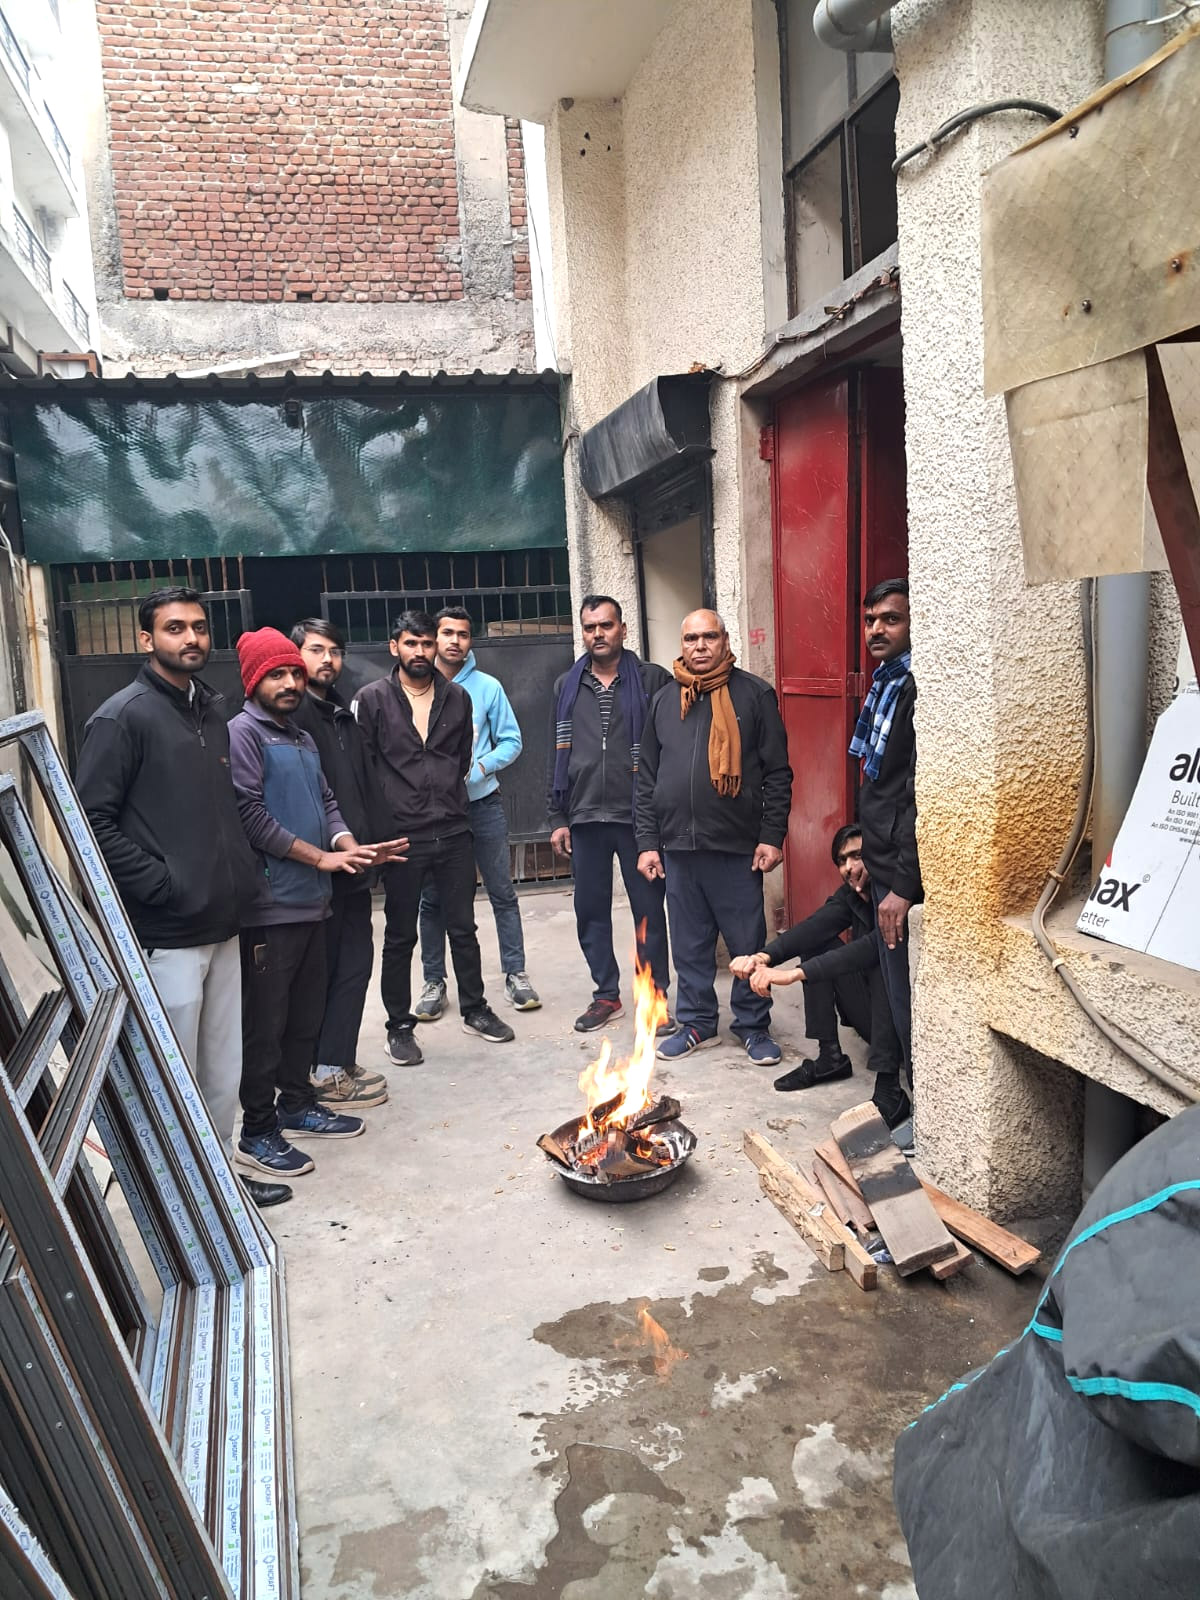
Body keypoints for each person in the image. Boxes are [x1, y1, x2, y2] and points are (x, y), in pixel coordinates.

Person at [74, 587, 291, 1209]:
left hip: (225, 922)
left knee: (222, 1069)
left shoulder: (211, 710)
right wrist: (163, 885)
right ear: (147, 639)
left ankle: (219, 1187)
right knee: (174, 1073)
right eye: (175, 628)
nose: (191, 637)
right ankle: (179, 1200)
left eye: (198, 626)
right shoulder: (122, 717)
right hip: (168, 933)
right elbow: (90, 822)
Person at [229, 627, 397, 1183]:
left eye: (293, 674)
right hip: (271, 907)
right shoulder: (243, 734)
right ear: (253, 681)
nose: (289, 683)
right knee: (267, 1025)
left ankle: (297, 1105)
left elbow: (326, 802)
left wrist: (349, 847)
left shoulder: (300, 738)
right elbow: (250, 816)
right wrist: (318, 857)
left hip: (312, 903)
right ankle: (257, 1131)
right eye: (276, 675)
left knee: (305, 1017)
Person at [355, 609, 515, 1066]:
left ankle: (475, 1009)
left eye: (426, 643)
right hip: (402, 837)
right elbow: (364, 766)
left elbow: (461, 757)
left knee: (463, 927)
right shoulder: (372, 699)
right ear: (394, 647)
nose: (421, 651)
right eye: (411, 643)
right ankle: (398, 1027)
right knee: (400, 935)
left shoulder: (457, 697)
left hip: (453, 829)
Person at [636, 609, 792, 1066]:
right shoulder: (664, 701)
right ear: (681, 644)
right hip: (679, 849)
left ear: (725, 640)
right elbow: (646, 779)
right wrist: (647, 843)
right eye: (691, 638)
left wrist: (772, 835)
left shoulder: (754, 695)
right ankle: (697, 1022)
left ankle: (753, 1025)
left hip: (736, 848)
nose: (700, 646)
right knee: (689, 946)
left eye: (709, 637)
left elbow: (778, 773)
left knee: (746, 943)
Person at [547, 595, 672, 1033]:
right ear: (582, 632)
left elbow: (667, 748)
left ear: (623, 629)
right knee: (590, 911)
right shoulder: (567, 685)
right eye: (590, 627)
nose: (597, 634)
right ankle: (606, 995)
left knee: (648, 912)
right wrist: (557, 816)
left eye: (606, 625)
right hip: (584, 816)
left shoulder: (653, 679)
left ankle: (653, 999)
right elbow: (555, 752)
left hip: (639, 817)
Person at [729, 824, 910, 1126]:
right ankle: (830, 1058)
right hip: (872, 1019)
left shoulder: (895, 898)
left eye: (857, 856)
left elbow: (869, 948)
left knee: (881, 960)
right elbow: (814, 927)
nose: (849, 867)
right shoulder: (851, 896)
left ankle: (889, 1088)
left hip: (904, 1030)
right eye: (842, 860)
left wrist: (794, 974)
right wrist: (762, 957)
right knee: (816, 943)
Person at [290, 618, 396, 1110]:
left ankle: (338, 1059)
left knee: (355, 966)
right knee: (325, 972)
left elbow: (361, 788)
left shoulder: (342, 714)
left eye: (335, 651)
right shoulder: (293, 718)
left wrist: (375, 849)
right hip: (316, 870)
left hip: (354, 865)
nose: (327, 659)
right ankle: (321, 1070)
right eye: (316, 650)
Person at [415, 606, 540, 1021]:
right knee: (433, 898)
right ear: (435, 638)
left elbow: (512, 741)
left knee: (502, 891)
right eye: (447, 633)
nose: (455, 641)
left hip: (482, 804)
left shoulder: (487, 687)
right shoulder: (416, 686)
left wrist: (481, 767)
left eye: (463, 634)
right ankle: (434, 981)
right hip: (433, 812)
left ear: (471, 641)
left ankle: (516, 973)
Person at [852, 579, 921, 1091]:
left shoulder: (915, 689)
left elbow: (919, 794)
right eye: (870, 620)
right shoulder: (885, 683)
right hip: (880, 863)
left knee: (908, 997)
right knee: (891, 988)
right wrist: (864, 852)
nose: (876, 630)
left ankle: (925, 1105)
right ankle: (898, 1091)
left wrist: (902, 884)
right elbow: (879, 785)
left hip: (903, 878)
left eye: (890, 619)